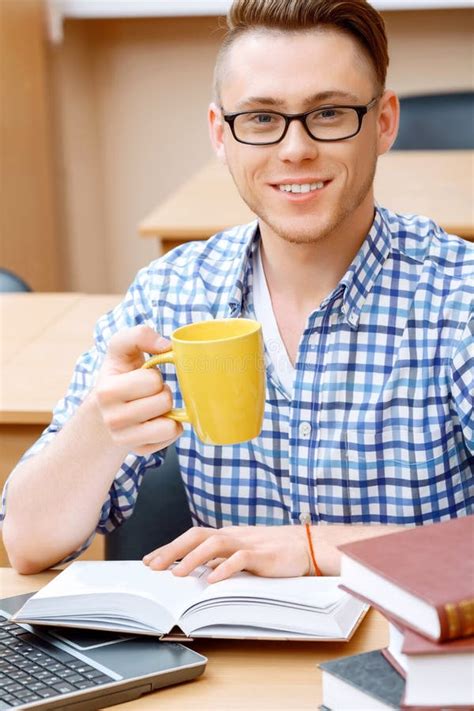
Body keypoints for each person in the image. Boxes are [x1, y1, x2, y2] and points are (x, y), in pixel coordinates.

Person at [2, 0, 472, 578]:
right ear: (219, 134)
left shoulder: (458, 296)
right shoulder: (173, 292)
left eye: (328, 113)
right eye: (260, 119)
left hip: (417, 657)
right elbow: (27, 543)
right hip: (233, 664)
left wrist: (315, 548)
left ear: (383, 123)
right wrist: (101, 428)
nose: (295, 149)